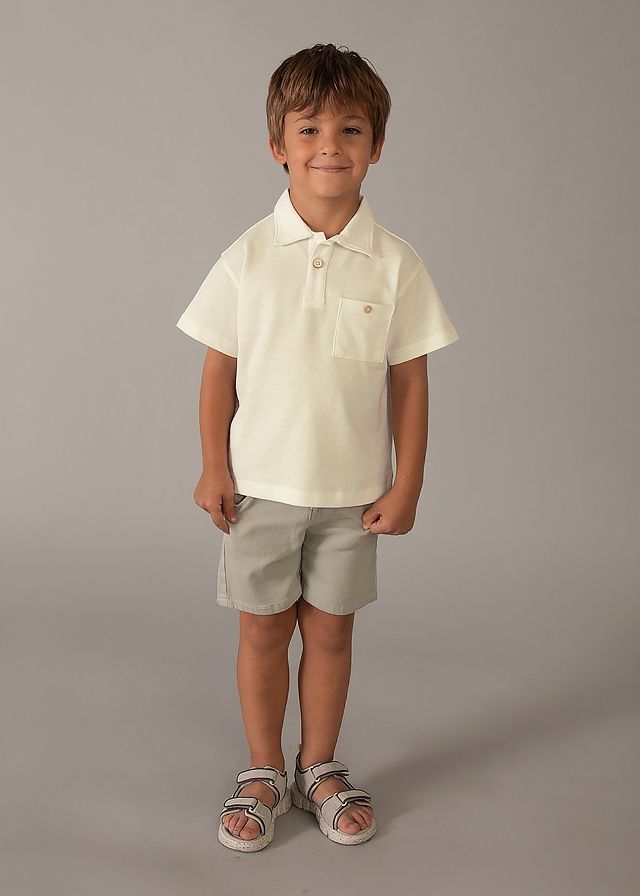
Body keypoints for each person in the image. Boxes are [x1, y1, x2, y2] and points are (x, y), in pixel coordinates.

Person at [177, 43, 458, 851]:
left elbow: (410, 381)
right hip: (260, 490)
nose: (329, 145)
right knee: (264, 631)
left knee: (331, 632)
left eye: (350, 129)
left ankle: (319, 766)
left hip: (351, 496)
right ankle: (264, 770)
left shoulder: (396, 264)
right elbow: (218, 369)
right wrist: (213, 464)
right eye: (309, 129)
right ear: (279, 144)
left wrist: (408, 483)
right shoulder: (247, 257)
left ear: (377, 145)